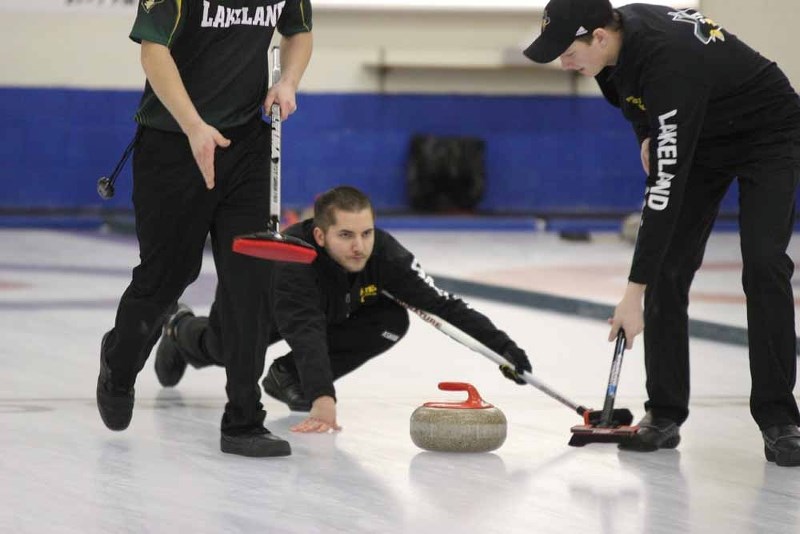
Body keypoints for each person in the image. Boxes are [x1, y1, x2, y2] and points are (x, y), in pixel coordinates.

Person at [524, 0, 800, 465]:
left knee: (763, 263)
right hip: (702, 132)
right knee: (670, 267)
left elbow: (664, 193)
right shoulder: (610, 58)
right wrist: (647, 137)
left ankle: (779, 419)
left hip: (768, 133)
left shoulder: (667, 60)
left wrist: (633, 295)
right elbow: (638, 106)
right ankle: (666, 413)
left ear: (600, 36)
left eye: (567, 51)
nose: (563, 62)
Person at [95, 0, 314, 458]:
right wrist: (194, 126)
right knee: (166, 277)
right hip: (173, 144)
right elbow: (153, 52)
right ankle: (120, 360)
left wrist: (288, 81)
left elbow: (298, 31)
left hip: (244, 146)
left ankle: (243, 419)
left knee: (250, 281)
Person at [152, 186, 533, 433]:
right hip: (260, 303)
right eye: (346, 235)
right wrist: (324, 399)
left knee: (390, 320)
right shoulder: (294, 258)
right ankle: (178, 327)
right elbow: (304, 328)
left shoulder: (385, 255)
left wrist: (504, 349)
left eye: (366, 233)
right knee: (221, 351)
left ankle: (288, 376)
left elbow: (445, 306)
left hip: (332, 308)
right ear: (320, 235)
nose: (359, 247)